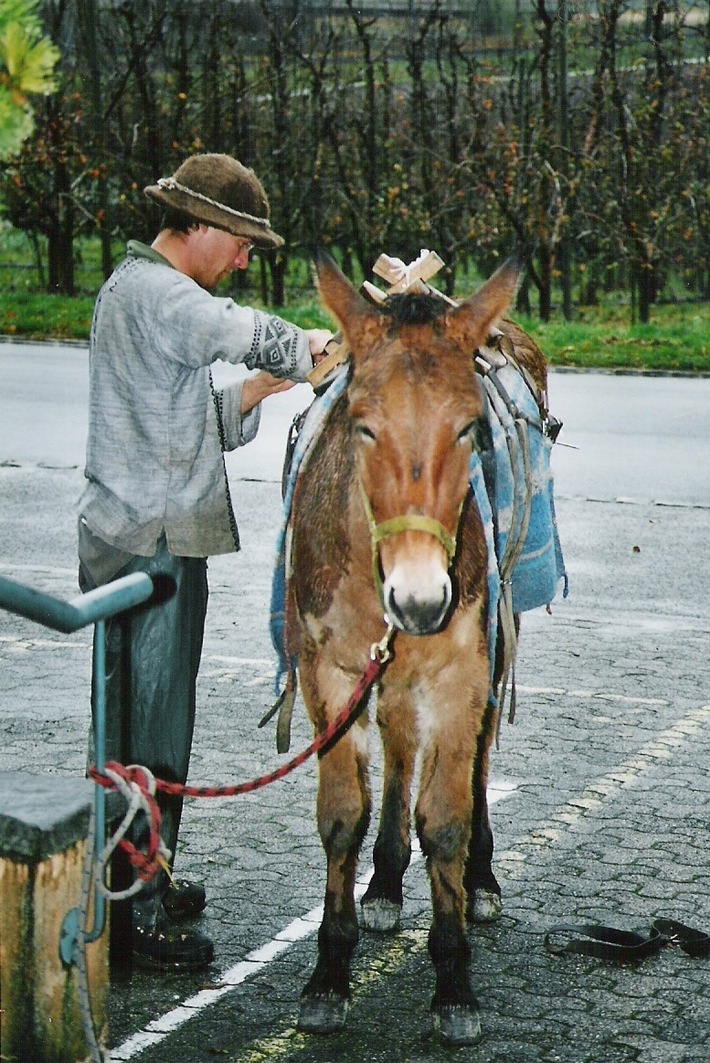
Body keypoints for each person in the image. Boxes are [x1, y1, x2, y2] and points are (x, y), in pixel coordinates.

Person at [77, 153, 330, 970]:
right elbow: (240, 329)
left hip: (131, 528)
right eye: (244, 242)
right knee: (150, 731)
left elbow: (187, 421)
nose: (247, 259)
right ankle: (133, 913)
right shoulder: (163, 293)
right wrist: (317, 344)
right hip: (153, 546)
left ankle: (139, 870)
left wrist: (256, 393)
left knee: (129, 723)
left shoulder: (135, 289)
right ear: (205, 228)